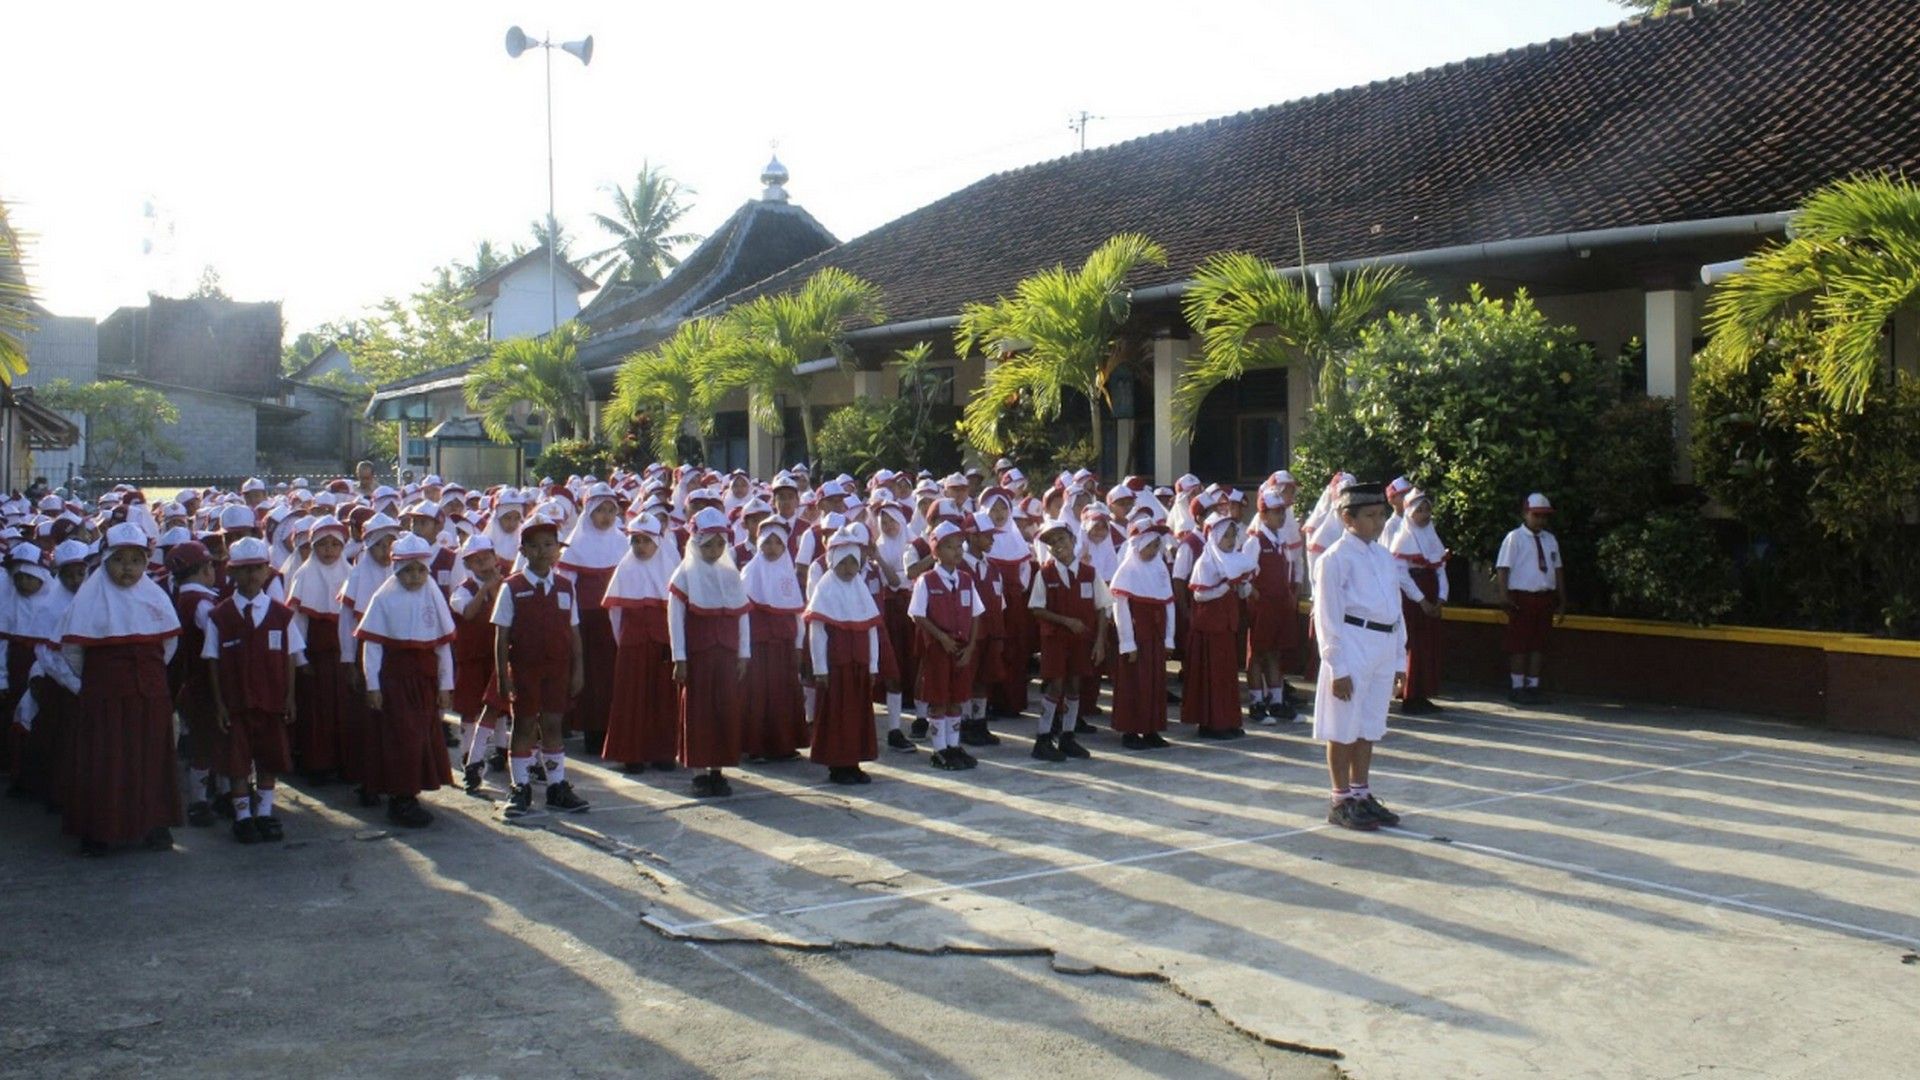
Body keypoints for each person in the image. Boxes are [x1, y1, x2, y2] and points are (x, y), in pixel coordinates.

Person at [55, 523, 183, 855]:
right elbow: (72, 651)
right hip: (105, 694)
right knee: (105, 759)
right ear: (105, 561)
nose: (128, 568)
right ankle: (99, 829)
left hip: (150, 693)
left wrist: (146, 674)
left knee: (151, 758)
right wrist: (102, 679)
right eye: (119, 559)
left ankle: (154, 823)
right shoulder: (89, 600)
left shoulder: (156, 598)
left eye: (136, 560)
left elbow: (168, 644)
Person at [1310, 481, 1406, 832]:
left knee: (1368, 725)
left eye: (1381, 515)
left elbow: (1396, 609)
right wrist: (1336, 665)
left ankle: (1362, 793)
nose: (1378, 522)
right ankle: (1340, 799)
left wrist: (1399, 659)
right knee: (1343, 728)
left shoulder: (1383, 555)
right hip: (1352, 643)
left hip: (1382, 643)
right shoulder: (1334, 560)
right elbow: (1328, 616)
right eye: (1370, 516)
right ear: (1347, 518)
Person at [203, 537, 305, 844]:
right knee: (237, 763)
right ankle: (243, 816)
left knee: (268, 760)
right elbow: (213, 661)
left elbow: (290, 656)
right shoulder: (220, 616)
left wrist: (289, 697)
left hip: (271, 702)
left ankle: (264, 813)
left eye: (257, 569)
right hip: (236, 704)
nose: (251, 577)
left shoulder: (281, 614)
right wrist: (219, 704)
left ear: (267, 572)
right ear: (231, 572)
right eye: (244, 570)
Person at [355, 534, 456, 828]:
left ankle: (409, 790)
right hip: (395, 681)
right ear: (396, 570)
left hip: (424, 681)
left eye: (420, 570)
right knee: (403, 738)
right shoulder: (384, 599)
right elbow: (372, 646)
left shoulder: (432, 597)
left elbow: (442, 646)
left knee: (420, 736)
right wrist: (372, 685)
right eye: (408, 571)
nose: (415, 577)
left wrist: (445, 685)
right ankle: (401, 798)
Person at [492, 517, 590, 818]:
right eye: (535, 546)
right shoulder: (512, 587)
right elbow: (501, 635)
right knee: (523, 725)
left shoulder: (565, 586)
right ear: (524, 550)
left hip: (557, 669)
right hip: (525, 669)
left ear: (558, 550)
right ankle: (520, 787)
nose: (544, 551)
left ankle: (556, 786)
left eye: (550, 545)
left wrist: (578, 670)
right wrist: (503, 678)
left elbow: (574, 633)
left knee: (552, 725)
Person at [668, 507, 751, 798]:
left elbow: (742, 615)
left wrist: (744, 653)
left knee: (725, 710)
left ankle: (719, 768)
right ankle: (699, 771)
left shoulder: (731, 573)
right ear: (695, 543)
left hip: (726, 654)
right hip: (699, 655)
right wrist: (680, 657)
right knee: (699, 711)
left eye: (719, 544)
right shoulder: (684, 575)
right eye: (707, 544)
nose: (714, 550)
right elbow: (675, 619)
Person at [1026, 518, 1109, 762]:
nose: (1057, 545)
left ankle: (1068, 736)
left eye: (1061, 538)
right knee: (1056, 685)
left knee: (1074, 685)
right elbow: (1036, 608)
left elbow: (1102, 607)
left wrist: (1100, 641)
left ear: (1073, 540)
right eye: (1051, 542)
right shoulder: (1045, 574)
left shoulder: (1090, 573)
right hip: (1055, 640)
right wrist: (1065, 621)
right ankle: (1043, 738)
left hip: (1081, 640)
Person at [601, 515, 678, 773]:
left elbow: (678, 611)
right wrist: (622, 640)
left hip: (663, 643)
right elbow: (615, 613)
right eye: (636, 540)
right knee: (631, 697)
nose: (641, 546)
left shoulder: (671, 568)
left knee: (663, 698)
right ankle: (631, 753)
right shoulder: (625, 568)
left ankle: (662, 752)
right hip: (632, 643)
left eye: (646, 540)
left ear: (657, 542)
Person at [806, 530, 883, 785]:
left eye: (854, 562)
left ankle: (854, 762)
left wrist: (873, 665)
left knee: (856, 716)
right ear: (833, 562)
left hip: (858, 665)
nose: (849, 568)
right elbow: (817, 633)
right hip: (836, 667)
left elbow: (871, 629)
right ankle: (837, 765)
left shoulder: (860, 589)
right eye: (844, 562)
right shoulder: (825, 589)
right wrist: (820, 669)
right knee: (837, 716)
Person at [908, 521, 984, 771]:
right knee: (938, 699)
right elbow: (918, 615)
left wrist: (971, 647)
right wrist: (941, 637)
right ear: (936, 552)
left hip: (961, 650)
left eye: (959, 546)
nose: (957, 551)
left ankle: (953, 745)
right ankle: (939, 748)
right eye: (949, 547)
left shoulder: (966, 579)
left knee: (957, 699)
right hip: (938, 650)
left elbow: (976, 614)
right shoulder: (926, 580)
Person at [285, 516, 352, 784]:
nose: (329, 551)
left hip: (343, 657)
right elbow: (296, 624)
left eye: (334, 545)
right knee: (317, 713)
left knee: (344, 711)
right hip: (316, 657)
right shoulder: (303, 575)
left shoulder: (350, 574)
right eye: (322, 545)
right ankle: (317, 763)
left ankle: (344, 762)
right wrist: (300, 659)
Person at [557, 484, 623, 757]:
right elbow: (568, 587)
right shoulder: (576, 545)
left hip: (616, 620)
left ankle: (612, 729)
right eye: (600, 511)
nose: (606, 517)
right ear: (589, 513)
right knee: (590, 678)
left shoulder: (623, 542)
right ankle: (592, 732)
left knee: (613, 676)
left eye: (610, 510)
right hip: (586, 620)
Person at [739, 521, 808, 762]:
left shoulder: (787, 573)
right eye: (767, 541)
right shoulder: (749, 572)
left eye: (778, 542)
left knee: (783, 693)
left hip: (784, 645)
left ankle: (783, 744)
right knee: (757, 694)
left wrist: (799, 645)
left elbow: (797, 613)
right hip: (758, 646)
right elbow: (741, 615)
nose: (771, 547)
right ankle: (755, 745)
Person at [1184, 514, 1255, 739]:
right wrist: (1226, 585)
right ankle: (1212, 723)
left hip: (1226, 626)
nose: (1231, 541)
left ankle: (1228, 720)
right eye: (1226, 536)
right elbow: (1199, 595)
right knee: (1212, 677)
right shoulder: (1206, 562)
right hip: (1210, 629)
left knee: (1227, 678)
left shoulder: (1234, 559)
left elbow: (1241, 591)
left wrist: (1244, 585)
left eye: (1234, 536)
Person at [1108, 522, 1176, 751]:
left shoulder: (1160, 569)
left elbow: (1168, 604)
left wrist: (1169, 638)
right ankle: (1130, 730)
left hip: (1155, 636)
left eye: (1158, 545)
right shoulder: (1127, 571)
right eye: (1150, 545)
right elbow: (1121, 608)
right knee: (1134, 683)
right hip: (1137, 637)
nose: (1154, 550)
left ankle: (1151, 729)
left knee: (1154, 683)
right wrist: (1127, 642)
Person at [1494, 493, 1565, 705]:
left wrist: (1561, 599)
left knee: (1538, 644)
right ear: (1526, 514)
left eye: (1544, 516)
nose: (1541, 520)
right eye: (1536, 515)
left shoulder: (1550, 540)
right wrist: (1504, 594)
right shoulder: (1514, 538)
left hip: (1544, 596)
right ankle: (1517, 686)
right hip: (1522, 597)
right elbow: (1503, 567)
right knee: (1519, 644)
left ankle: (1533, 685)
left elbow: (1558, 569)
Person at [449, 535, 507, 792]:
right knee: (470, 708)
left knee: (500, 705)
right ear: (469, 565)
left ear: (496, 558)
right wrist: (485, 589)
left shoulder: (506, 586)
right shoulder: (462, 590)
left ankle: (502, 750)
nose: (484, 565)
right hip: (472, 657)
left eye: (487, 558)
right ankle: (468, 756)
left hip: (497, 656)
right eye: (476, 561)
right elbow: (469, 613)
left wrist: (496, 589)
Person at [1243, 487, 1302, 724]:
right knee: (1257, 654)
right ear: (1264, 514)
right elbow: (1244, 574)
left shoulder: (1282, 542)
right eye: (1277, 512)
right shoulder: (1254, 541)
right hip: (1262, 607)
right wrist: (1254, 594)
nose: (1282, 516)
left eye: (1283, 511)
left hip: (1279, 605)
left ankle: (1276, 701)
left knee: (1275, 652)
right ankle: (1257, 702)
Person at [1390, 489, 1449, 714]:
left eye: (1427, 510)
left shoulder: (1432, 537)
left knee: (1428, 645)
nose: (1425, 515)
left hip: (1431, 593)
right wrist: (1421, 600)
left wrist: (1441, 597)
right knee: (1413, 644)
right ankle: (1410, 694)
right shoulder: (1403, 538)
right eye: (1419, 510)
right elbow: (1401, 574)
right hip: (1413, 597)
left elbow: (1440, 568)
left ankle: (1424, 692)